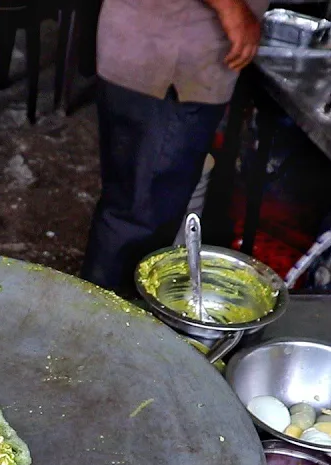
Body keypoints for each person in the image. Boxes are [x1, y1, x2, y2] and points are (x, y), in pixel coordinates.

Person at [82, 0, 264, 294]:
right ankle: (103, 328)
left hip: (164, 58)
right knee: (138, 219)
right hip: (168, 64)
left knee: (135, 210)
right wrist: (233, 10)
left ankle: (104, 321)